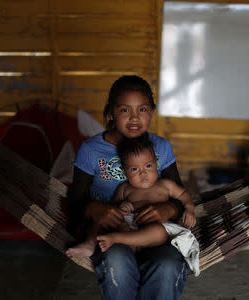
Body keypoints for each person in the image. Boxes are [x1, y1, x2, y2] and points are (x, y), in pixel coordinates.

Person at [67, 75, 190, 300]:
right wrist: (96, 209)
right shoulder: (91, 150)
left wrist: (168, 210)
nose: (134, 118)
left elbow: (181, 200)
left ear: (152, 111)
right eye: (125, 110)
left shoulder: (161, 147)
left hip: (156, 231)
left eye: (142, 109)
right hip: (112, 231)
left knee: (168, 265)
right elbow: (74, 203)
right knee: (117, 263)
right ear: (111, 112)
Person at [66, 134, 199, 275]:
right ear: (125, 172)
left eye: (148, 166)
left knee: (159, 232)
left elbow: (184, 195)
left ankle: (118, 239)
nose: (143, 173)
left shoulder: (165, 185)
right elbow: (113, 207)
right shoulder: (125, 188)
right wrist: (122, 207)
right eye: (135, 169)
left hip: (155, 226)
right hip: (130, 224)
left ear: (156, 164)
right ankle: (90, 243)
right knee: (104, 219)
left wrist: (189, 209)